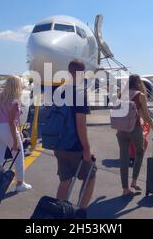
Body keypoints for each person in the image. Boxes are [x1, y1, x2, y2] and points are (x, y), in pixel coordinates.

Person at [54, 59, 97, 218]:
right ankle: (80, 211)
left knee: (64, 181)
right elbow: (80, 124)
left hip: (59, 144)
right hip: (75, 147)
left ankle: (59, 212)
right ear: (82, 73)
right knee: (90, 176)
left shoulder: (60, 90)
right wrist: (86, 148)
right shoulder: (79, 92)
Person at [116, 74, 153, 196]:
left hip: (121, 130)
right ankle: (134, 181)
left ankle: (125, 188)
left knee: (124, 159)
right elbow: (146, 115)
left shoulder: (121, 94)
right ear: (138, 83)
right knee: (140, 152)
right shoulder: (140, 95)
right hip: (134, 129)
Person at [0, 75, 32, 193]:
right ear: (17, 86)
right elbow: (11, 123)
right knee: (18, 157)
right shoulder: (14, 102)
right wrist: (14, 141)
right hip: (9, 130)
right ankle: (20, 184)